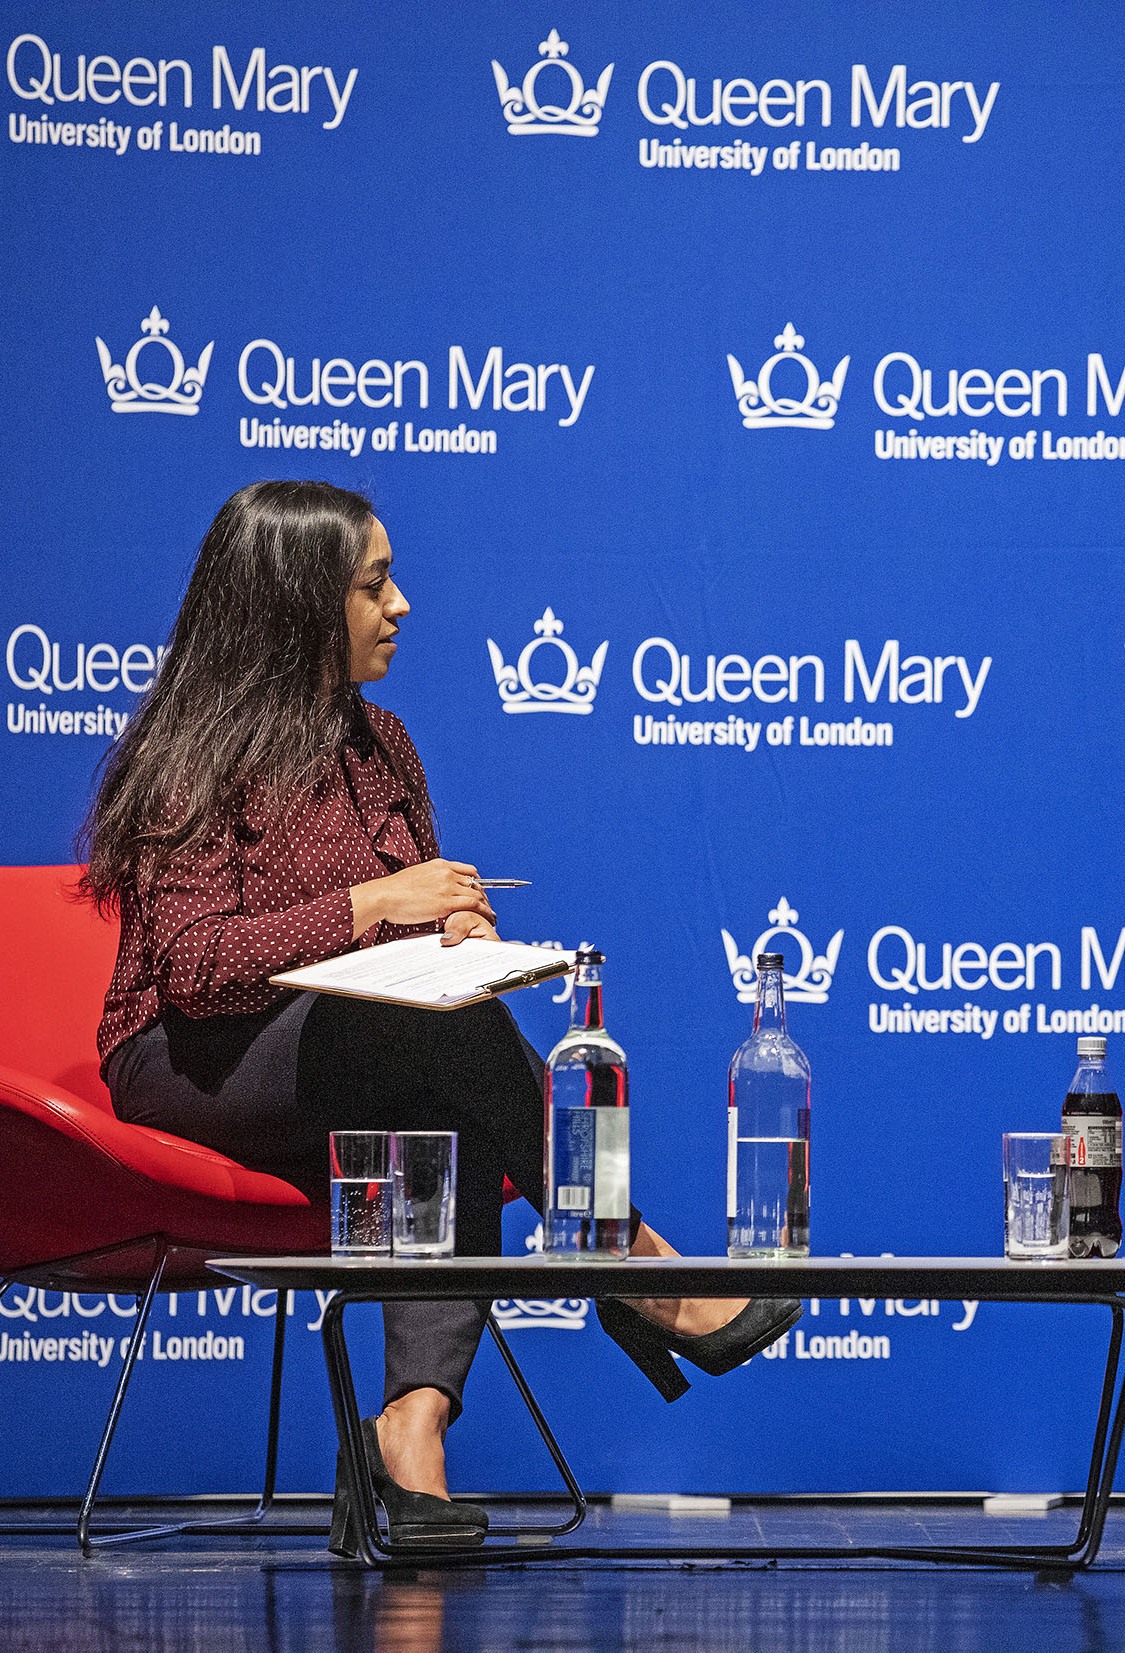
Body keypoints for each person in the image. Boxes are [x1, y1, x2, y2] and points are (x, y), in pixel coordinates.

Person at [82, 480, 799, 1553]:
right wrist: (377, 905)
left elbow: (403, 955)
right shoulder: (196, 755)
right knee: (431, 1042)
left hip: (360, 1047)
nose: (402, 604)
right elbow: (193, 969)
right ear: (292, 605)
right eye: (373, 585)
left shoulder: (385, 745)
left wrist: (451, 938)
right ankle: (626, 1259)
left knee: (444, 1082)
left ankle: (408, 1437)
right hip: (192, 1060)